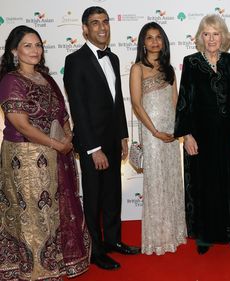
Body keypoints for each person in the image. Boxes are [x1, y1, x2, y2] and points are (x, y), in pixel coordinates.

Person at [0, 25, 90, 280]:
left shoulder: (46, 77)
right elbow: (22, 125)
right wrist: (56, 145)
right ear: (14, 50)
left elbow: (62, 113)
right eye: (27, 45)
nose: (35, 50)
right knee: (32, 215)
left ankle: (56, 261)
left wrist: (68, 136)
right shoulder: (10, 80)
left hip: (54, 154)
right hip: (26, 159)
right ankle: (35, 269)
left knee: (53, 212)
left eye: (38, 45)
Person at [64, 6, 140, 270]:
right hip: (91, 143)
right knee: (94, 197)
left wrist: (122, 136)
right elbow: (78, 108)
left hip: (112, 139)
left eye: (105, 22)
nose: (102, 27)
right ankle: (95, 250)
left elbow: (117, 102)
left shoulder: (115, 58)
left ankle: (114, 241)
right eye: (95, 23)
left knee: (112, 194)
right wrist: (93, 148)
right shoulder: (75, 61)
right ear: (85, 28)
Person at [174, 14, 230, 257]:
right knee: (204, 185)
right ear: (200, 37)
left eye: (215, 34)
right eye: (206, 34)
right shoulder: (191, 62)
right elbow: (184, 101)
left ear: (223, 36)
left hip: (228, 135)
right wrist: (186, 135)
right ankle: (205, 236)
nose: (211, 39)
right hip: (201, 136)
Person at [130, 22, 187, 255]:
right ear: (143, 42)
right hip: (152, 133)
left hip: (170, 133)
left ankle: (173, 231)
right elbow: (136, 103)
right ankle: (157, 237)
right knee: (155, 182)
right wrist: (154, 132)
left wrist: (177, 129)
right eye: (149, 37)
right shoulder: (137, 68)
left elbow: (175, 101)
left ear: (163, 42)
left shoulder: (169, 69)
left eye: (158, 37)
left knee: (171, 179)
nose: (154, 42)